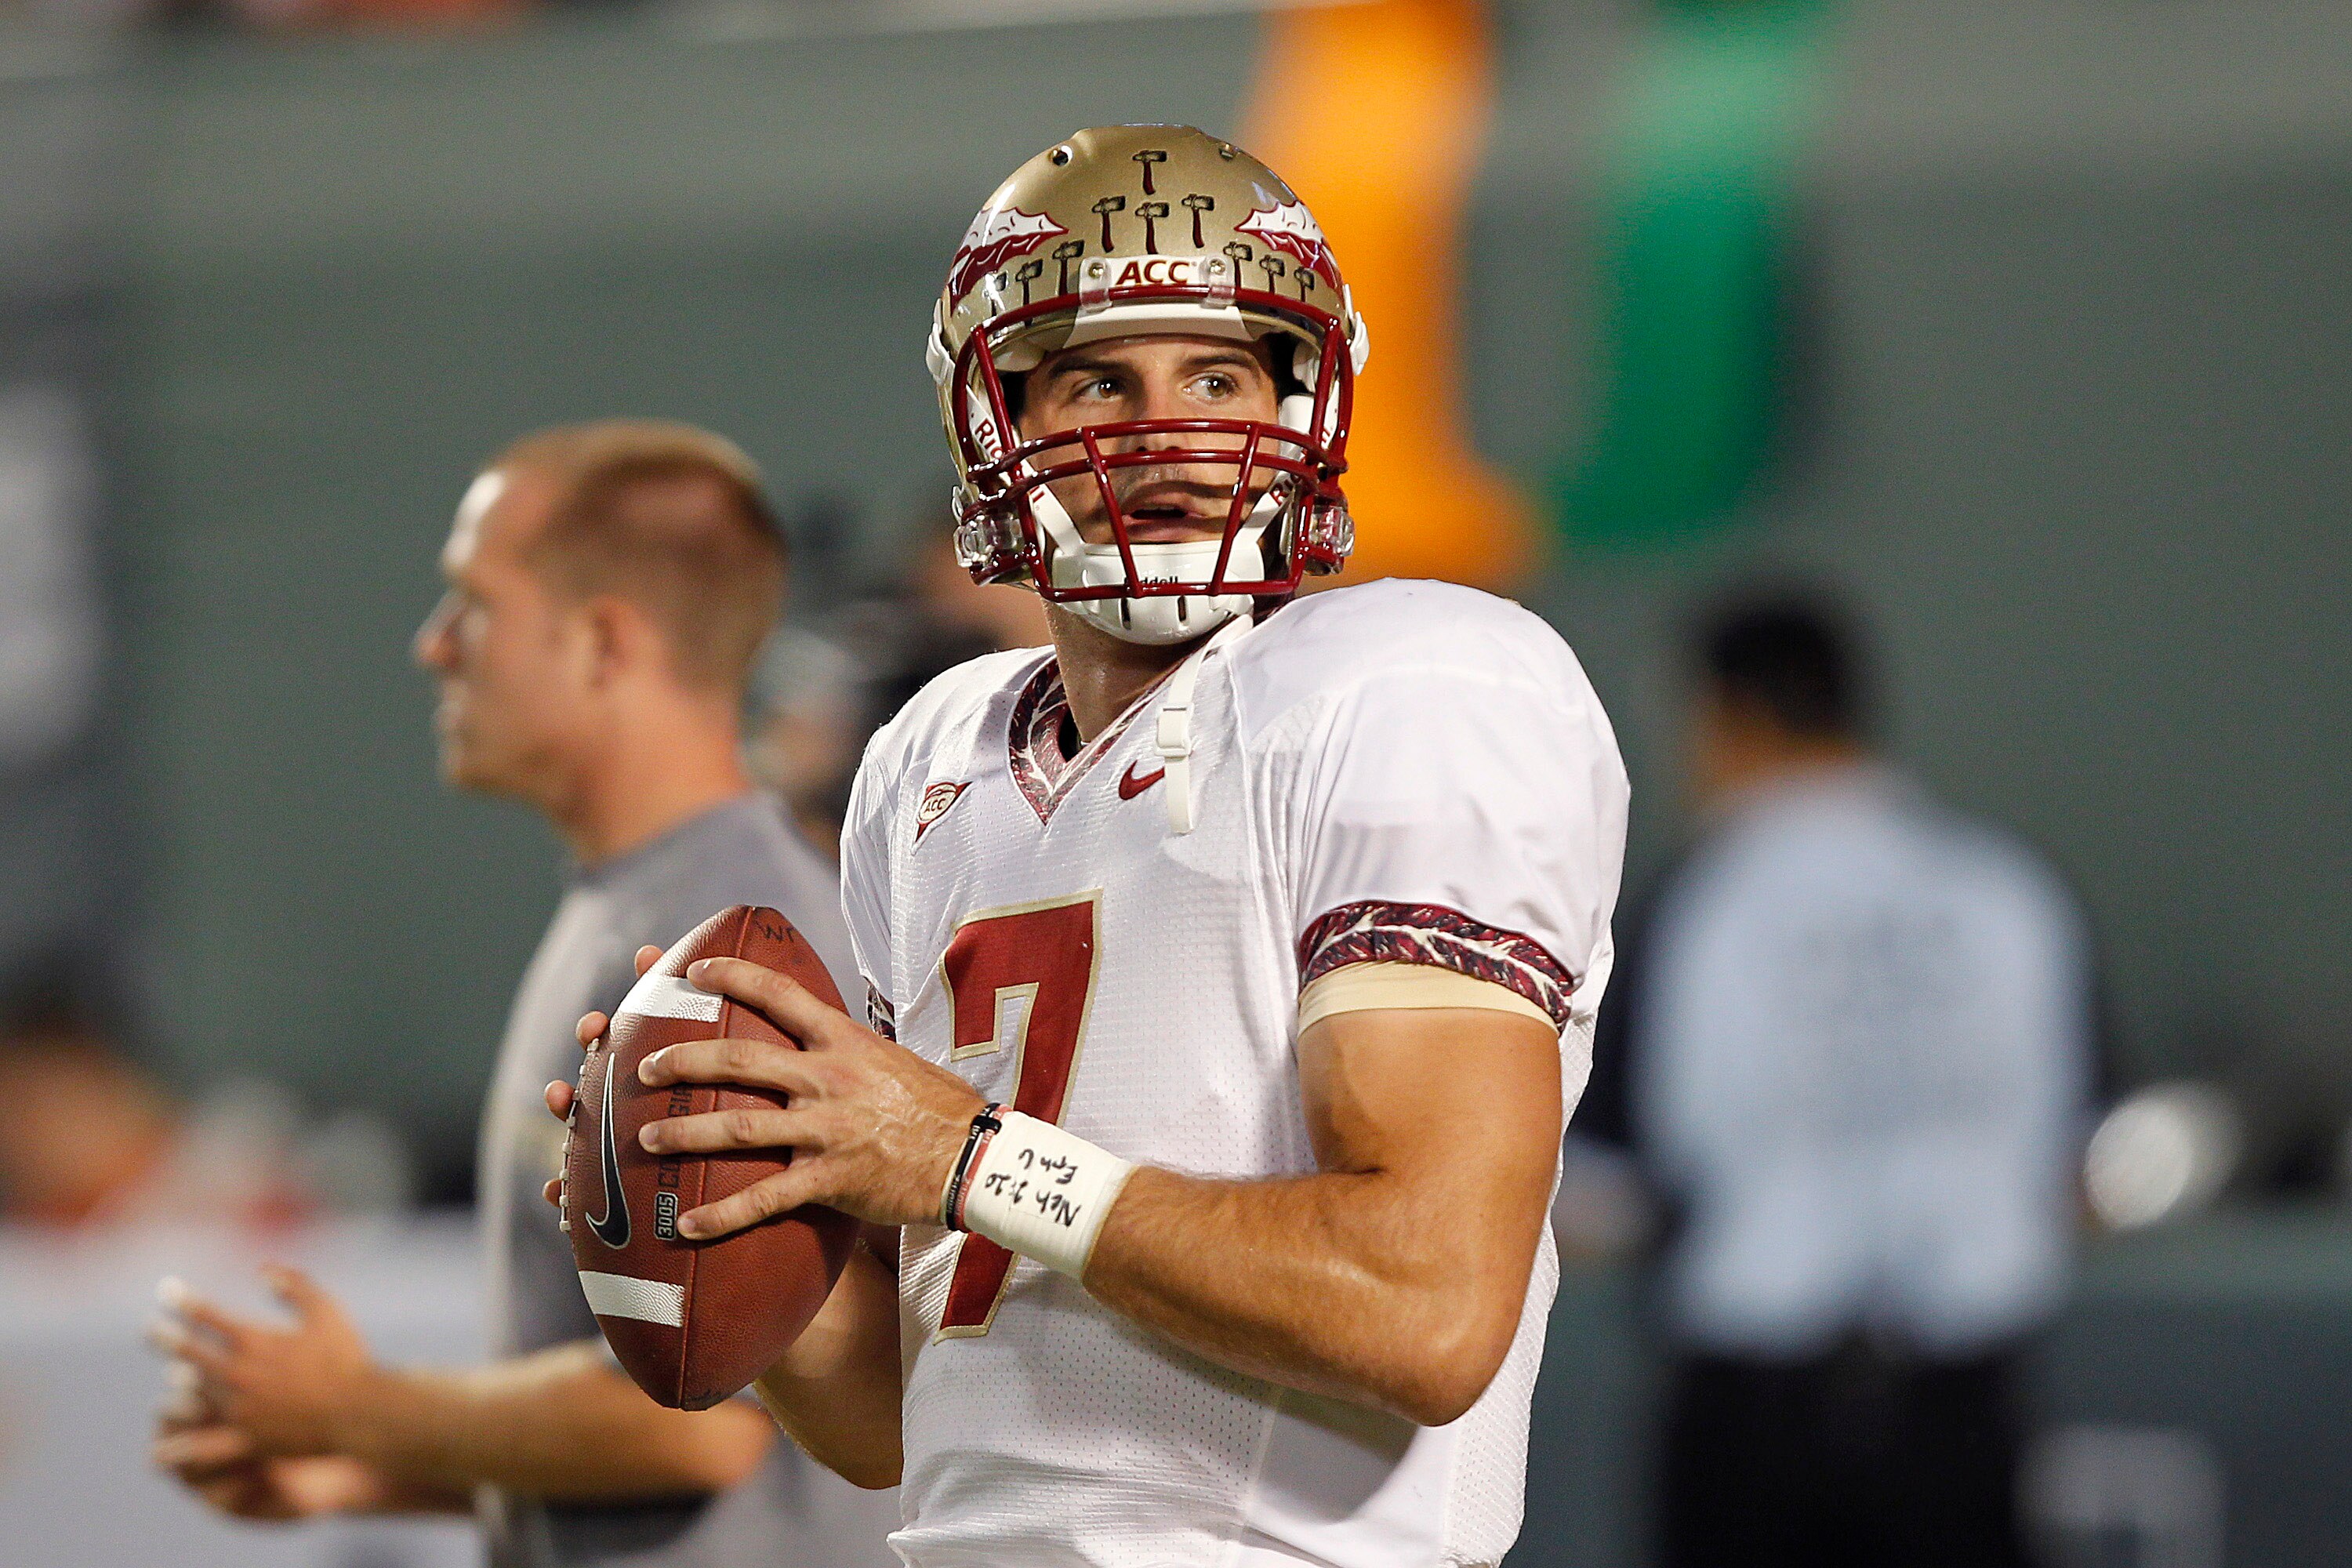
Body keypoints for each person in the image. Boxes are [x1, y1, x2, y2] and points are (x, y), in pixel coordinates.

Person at [546, 125, 1629, 1566]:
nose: (1165, 430)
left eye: (1222, 375)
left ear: (1310, 400)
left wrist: (965, 1154)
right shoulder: (928, 766)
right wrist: (728, 1211)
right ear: (998, 421)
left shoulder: (1410, 688)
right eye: (1097, 379)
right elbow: (908, 1418)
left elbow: (1425, 1310)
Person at [154, 421, 901, 1566]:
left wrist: (355, 1408)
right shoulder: (642, 908)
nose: (433, 646)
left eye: (473, 604)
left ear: (605, 643)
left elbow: (711, 1418)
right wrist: (357, 1474)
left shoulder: (740, 953)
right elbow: (646, 1410)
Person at [1581, 593, 2096, 1568]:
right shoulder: (2006, 890)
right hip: (1966, 1409)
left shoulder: (1697, 906)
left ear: (1727, 715)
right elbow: (2087, 1167)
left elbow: (1606, 1189)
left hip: (1754, 1420)